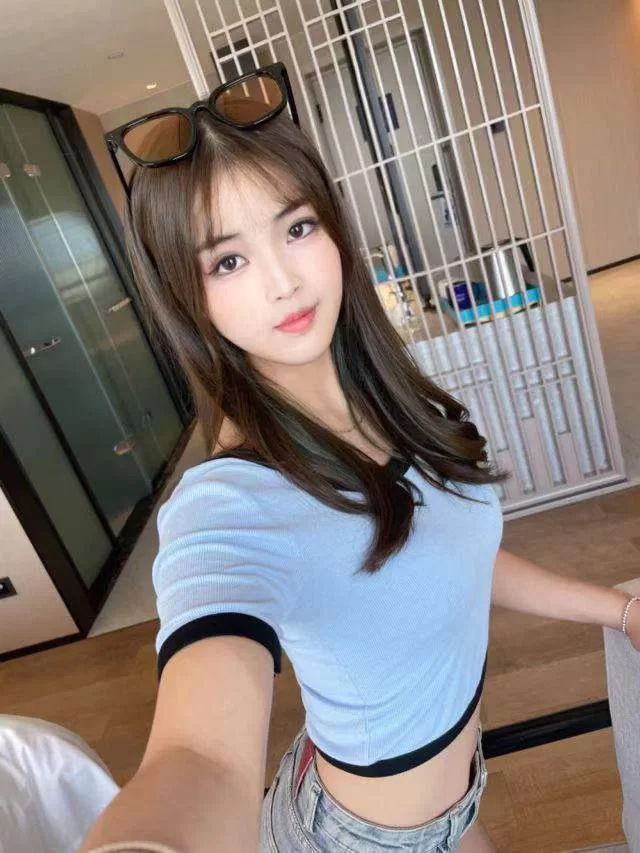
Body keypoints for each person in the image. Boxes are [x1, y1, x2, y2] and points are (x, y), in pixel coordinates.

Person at [83, 64, 640, 853]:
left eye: (297, 227)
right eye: (227, 261)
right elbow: (199, 754)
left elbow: (458, 559)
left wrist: (619, 610)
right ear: (189, 296)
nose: (284, 281)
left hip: (448, 800)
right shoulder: (231, 503)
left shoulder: (392, 402)